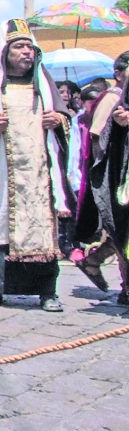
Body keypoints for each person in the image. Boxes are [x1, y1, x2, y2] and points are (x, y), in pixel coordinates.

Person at [0, 19, 75, 312]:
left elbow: (65, 123)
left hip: (37, 174)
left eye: (30, 47)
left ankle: (48, 291)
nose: (27, 52)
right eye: (19, 46)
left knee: (41, 229)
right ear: (4, 52)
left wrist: (58, 122)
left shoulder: (44, 87)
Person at [74, 53, 129, 300]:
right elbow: (97, 136)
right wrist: (105, 177)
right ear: (119, 73)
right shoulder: (112, 98)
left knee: (122, 233)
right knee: (121, 230)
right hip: (116, 175)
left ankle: (93, 261)